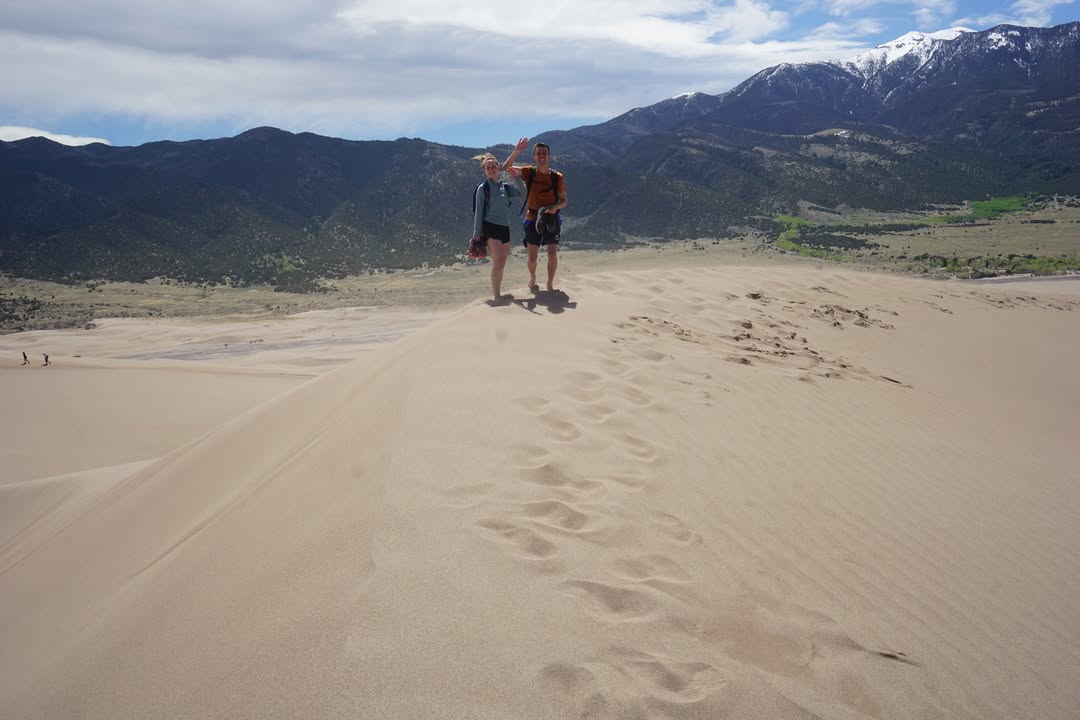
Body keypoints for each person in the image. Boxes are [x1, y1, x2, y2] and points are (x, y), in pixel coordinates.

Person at [503, 140, 568, 292]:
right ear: (534, 157)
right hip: (532, 218)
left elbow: (564, 200)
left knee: (552, 254)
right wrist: (517, 150)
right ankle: (532, 277)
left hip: (551, 218)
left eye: (544, 153)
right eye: (538, 153)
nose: (541, 156)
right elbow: (505, 167)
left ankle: (550, 284)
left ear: (549, 156)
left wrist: (554, 208)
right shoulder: (529, 172)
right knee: (532, 258)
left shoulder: (556, 177)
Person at [470, 140, 528, 303]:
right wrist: (476, 235)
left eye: (493, 166)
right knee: (499, 260)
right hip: (490, 228)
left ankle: (498, 293)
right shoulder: (483, 189)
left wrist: (517, 178)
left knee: (502, 262)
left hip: (505, 228)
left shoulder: (504, 187)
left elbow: (523, 194)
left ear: (497, 167)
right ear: (484, 171)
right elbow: (478, 213)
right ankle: (496, 296)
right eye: (488, 167)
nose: (491, 169)